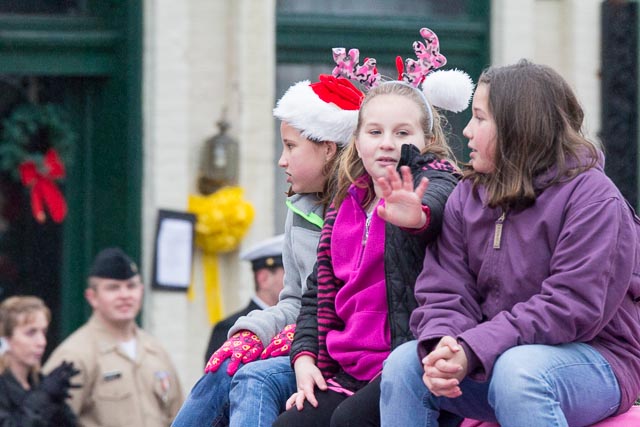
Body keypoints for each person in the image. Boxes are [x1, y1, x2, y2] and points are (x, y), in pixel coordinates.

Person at [379, 59, 640, 427]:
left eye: (481, 118)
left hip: (596, 360)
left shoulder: (595, 199)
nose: (466, 131)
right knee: (406, 365)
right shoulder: (467, 195)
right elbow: (444, 290)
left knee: (519, 373)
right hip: (494, 357)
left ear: (520, 126)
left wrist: (473, 348)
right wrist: (445, 345)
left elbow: (571, 306)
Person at [273, 68, 466, 425]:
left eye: (403, 132)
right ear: (357, 139)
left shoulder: (432, 181)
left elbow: (437, 203)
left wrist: (417, 215)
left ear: (426, 139)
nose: (388, 143)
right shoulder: (344, 204)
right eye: (375, 132)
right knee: (291, 422)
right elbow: (315, 296)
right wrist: (304, 357)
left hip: (409, 360)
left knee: (349, 422)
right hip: (347, 370)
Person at [171, 74, 363, 427]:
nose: (281, 161)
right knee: (225, 362)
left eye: (291, 147)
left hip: (343, 353)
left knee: (253, 378)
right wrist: (250, 332)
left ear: (328, 148)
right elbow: (293, 301)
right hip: (307, 341)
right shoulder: (300, 210)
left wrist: (298, 336)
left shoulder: (363, 211)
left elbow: (358, 305)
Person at [44, 247, 184, 427]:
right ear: (92, 297)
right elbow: (49, 420)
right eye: (113, 288)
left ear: (141, 290)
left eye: (131, 286)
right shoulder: (74, 355)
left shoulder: (155, 351)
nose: (125, 296)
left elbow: (181, 416)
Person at [204, 233, 286, 365]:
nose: (295, 281)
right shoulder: (230, 327)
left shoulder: (294, 321)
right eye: (288, 274)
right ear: (263, 279)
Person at [0, 296, 78, 426]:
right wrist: (43, 396)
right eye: (31, 333)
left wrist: (59, 404)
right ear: (6, 339)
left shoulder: (37, 381)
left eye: (44, 332)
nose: (42, 342)